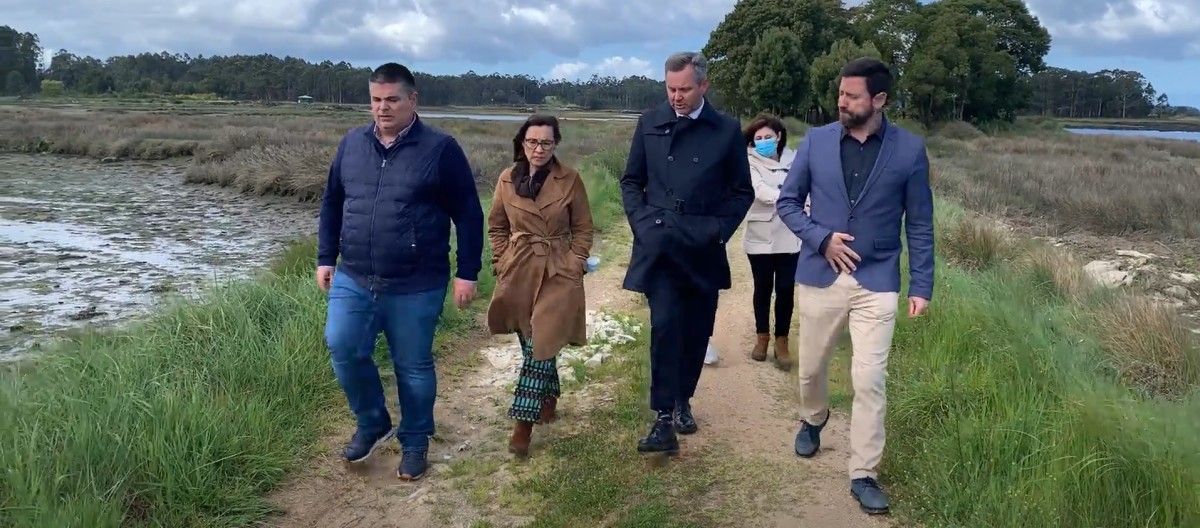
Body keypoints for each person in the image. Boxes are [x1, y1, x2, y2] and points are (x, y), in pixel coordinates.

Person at [776, 57, 934, 515]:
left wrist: (921, 285)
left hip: (878, 279)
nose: (840, 102)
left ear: (879, 100)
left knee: (870, 380)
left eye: (851, 96)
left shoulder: (909, 150)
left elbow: (920, 224)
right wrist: (820, 239)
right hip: (821, 276)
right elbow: (788, 204)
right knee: (810, 370)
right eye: (840, 94)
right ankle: (814, 417)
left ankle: (864, 471)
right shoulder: (816, 142)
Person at [316, 62, 483, 482]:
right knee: (343, 347)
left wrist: (467, 271)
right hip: (354, 275)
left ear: (413, 100)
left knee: (412, 365)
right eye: (375, 99)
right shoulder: (351, 144)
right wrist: (324, 257)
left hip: (416, 282)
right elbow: (333, 202)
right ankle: (372, 421)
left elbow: (468, 213)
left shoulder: (440, 149)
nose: (382, 108)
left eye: (392, 99)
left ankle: (414, 440)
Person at [620, 51, 754, 455]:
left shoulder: (727, 130)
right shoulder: (649, 122)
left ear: (703, 86)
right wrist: (643, 225)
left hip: (702, 246)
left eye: (684, 89)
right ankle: (662, 417)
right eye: (670, 89)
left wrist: (716, 230)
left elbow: (741, 192)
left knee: (696, 331)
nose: (676, 97)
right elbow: (631, 182)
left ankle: (682, 400)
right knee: (664, 327)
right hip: (660, 245)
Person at [485, 114, 594, 458]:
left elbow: (584, 228)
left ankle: (523, 426)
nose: (539, 149)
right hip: (519, 269)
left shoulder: (570, 179)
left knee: (541, 343)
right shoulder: (506, 179)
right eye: (532, 141)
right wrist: (501, 261)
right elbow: (497, 226)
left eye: (546, 142)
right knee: (530, 339)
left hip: (558, 269)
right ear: (522, 142)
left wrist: (575, 262)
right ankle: (548, 396)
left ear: (555, 145)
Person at [742, 113, 802, 370]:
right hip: (760, 235)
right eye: (758, 139)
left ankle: (782, 341)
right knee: (763, 287)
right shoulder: (748, 161)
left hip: (791, 234)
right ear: (752, 142)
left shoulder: (796, 159)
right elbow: (760, 192)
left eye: (768, 137)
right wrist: (791, 201)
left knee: (786, 289)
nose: (764, 141)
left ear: (779, 137)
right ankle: (762, 337)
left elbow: (807, 187)